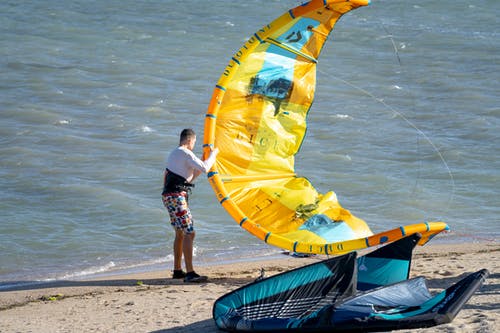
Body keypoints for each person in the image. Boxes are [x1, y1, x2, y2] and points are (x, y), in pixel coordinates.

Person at [161, 128, 218, 282]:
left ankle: (178, 270)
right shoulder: (185, 153)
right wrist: (215, 153)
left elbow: (189, 178)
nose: (194, 145)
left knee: (180, 232)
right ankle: (190, 273)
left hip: (169, 196)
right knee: (189, 233)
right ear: (189, 140)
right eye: (194, 142)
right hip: (176, 197)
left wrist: (203, 159)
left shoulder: (175, 154)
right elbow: (206, 168)